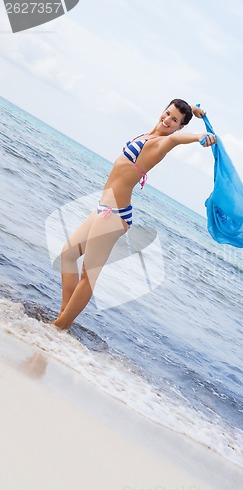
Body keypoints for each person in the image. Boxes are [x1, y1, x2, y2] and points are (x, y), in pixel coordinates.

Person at [53, 99, 216, 330]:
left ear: (180, 126)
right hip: (103, 208)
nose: (168, 120)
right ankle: (62, 320)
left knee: (88, 275)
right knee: (68, 255)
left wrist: (199, 136)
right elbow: (178, 111)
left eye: (175, 120)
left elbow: (176, 139)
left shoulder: (162, 143)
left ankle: (59, 326)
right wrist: (194, 110)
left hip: (114, 214)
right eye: (167, 114)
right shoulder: (148, 135)